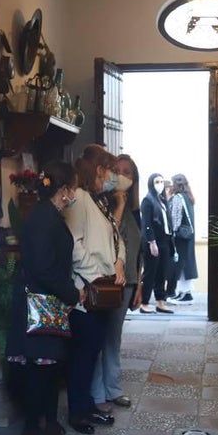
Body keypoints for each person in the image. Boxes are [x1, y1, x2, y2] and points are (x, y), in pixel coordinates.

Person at [6, 161, 81, 435]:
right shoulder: (41, 217)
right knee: (38, 374)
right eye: (73, 188)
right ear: (64, 190)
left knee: (51, 372)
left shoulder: (49, 215)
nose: (74, 193)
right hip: (36, 307)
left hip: (49, 305)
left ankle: (51, 428)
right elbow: (43, 269)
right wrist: (73, 293)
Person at [64, 144, 125, 434]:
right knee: (82, 354)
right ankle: (77, 411)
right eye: (110, 169)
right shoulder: (79, 199)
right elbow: (73, 244)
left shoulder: (99, 201)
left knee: (93, 351)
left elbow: (116, 236)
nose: (114, 175)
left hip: (102, 290)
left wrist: (120, 262)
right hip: (86, 292)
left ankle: (87, 405)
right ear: (99, 170)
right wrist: (97, 276)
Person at [93, 153, 141, 411]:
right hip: (108, 280)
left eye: (129, 173)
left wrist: (139, 283)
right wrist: (119, 206)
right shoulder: (104, 204)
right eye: (119, 170)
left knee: (114, 337)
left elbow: (137, 249)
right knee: (102, 336)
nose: (123, 176)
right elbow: (110, 235)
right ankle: (98, 392)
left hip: (129, 280)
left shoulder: (136, 210)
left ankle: (112, 388)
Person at [139, 172, 175, 314]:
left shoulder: (162, 200)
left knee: (162, 272)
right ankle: (144, 302)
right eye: (156, 182)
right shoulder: (147, 200)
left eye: (161, 181)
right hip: (154, 241)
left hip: (165, 241)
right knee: (150, 272)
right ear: (151, 184)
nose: (160, 184)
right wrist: (151, 242)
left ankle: (160, 302)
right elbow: (146, 223)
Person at [167, 173, 198, 303]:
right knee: (187, 262)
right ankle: (184, 291)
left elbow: (176, 218)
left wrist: (172, 232)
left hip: (180, 236)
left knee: (180, 264)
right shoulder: (189, 197)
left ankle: (185, 293)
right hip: (188, 235)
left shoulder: (177, 198)